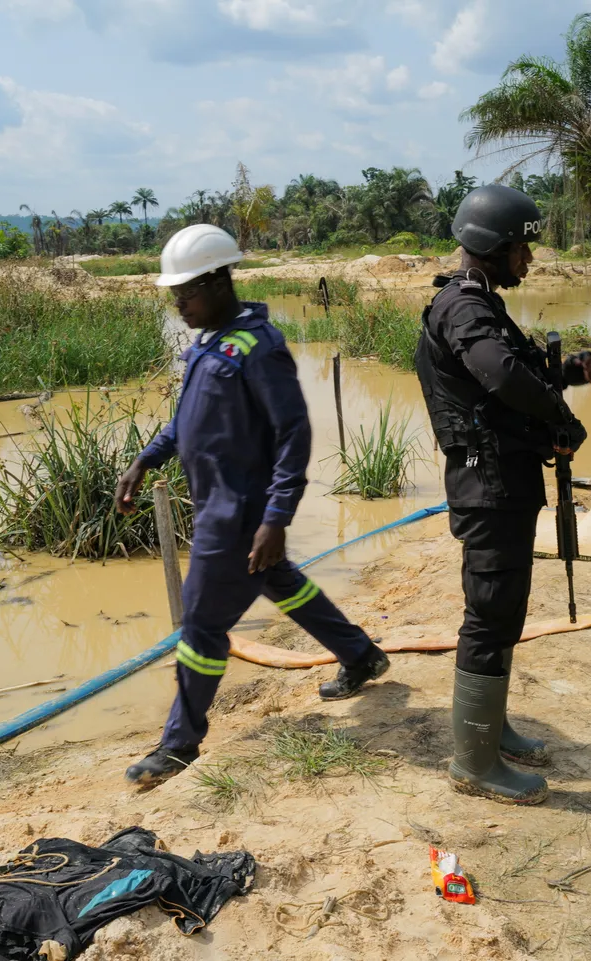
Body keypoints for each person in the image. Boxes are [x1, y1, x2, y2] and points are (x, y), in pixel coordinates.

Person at [116, 224, 390, 785]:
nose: (179, 304)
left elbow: (294, 432)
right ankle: (361, 655)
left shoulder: (258, 348)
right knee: (281, 583)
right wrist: (145, 460)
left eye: (186, 293)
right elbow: (187, 422)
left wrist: (276, 518)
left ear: (218, 281)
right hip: (219, 504)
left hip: (238, 515)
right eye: (174, 295)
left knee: (200, 626)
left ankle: (179, 744)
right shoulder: (210, 343)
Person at [414, 184, 591, 805]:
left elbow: (511, 371)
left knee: (506, 609)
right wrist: (561, 419)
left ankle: (490, 727)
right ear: (493, 246)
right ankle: (474, 762)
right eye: (523, 246)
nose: (530, 258)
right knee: (491, 612)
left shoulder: (482, 302)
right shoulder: (464, 309)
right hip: (487, 484)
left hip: (504, 481)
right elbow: (498, 372)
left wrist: (567, 373)